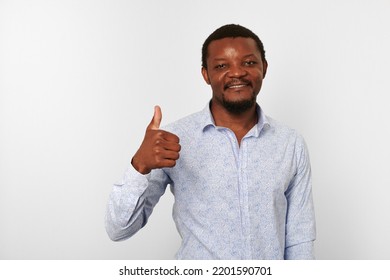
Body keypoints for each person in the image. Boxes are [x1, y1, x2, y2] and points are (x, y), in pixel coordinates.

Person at [105, 24, 316, 259]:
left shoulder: (290, 143)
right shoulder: (173, 139)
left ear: (264, 68)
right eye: (221, 66)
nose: (237, 73)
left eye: (248, 63)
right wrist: (139, 166)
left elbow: (299, 241)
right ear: (206, 74)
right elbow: (118, 229)